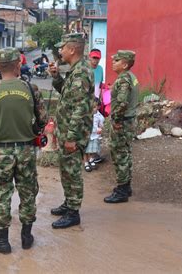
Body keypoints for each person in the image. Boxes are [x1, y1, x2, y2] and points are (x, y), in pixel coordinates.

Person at [0, 47, 47, 254]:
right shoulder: (31, 89)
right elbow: (43, 119)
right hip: (26, 150)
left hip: (2, 151)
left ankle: (2, 241)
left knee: (1, 194)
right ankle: (26, 237)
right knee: (27, 192)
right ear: (18, 64)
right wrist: (33, 129)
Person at [48, 33, 94, 229]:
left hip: (72, 134)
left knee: (72, 171)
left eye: (63, 47)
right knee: (66, 169)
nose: (61, 51)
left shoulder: (82, 72)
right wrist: (56, 77)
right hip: (67, 130)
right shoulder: (75, 71)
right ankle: (69, 203)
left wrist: (72, 138)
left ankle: (73, 212)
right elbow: (68, 95)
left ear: (73, 49)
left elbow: (80, 108)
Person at [104, 50, 139, 204]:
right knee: (125, 152)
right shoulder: (131, 77)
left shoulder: (124, 80)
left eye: (116, 60)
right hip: (128, 120)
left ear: (124, 64)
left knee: (120, 154)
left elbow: (122, 102)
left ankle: (122, 190)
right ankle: (126, 186)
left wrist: (116, 120)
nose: (113, 62)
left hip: (123, 122)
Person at [84, 98, 105, 172]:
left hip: (95, 135)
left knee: (93, 149)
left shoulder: (100, 116)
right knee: (86, 150)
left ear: (98, 107)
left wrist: (100, 129)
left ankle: (91, 159)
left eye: (94, 107)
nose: (92, 109)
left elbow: (101, 125)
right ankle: (86, 163)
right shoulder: (86, 115)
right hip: (87, 135)